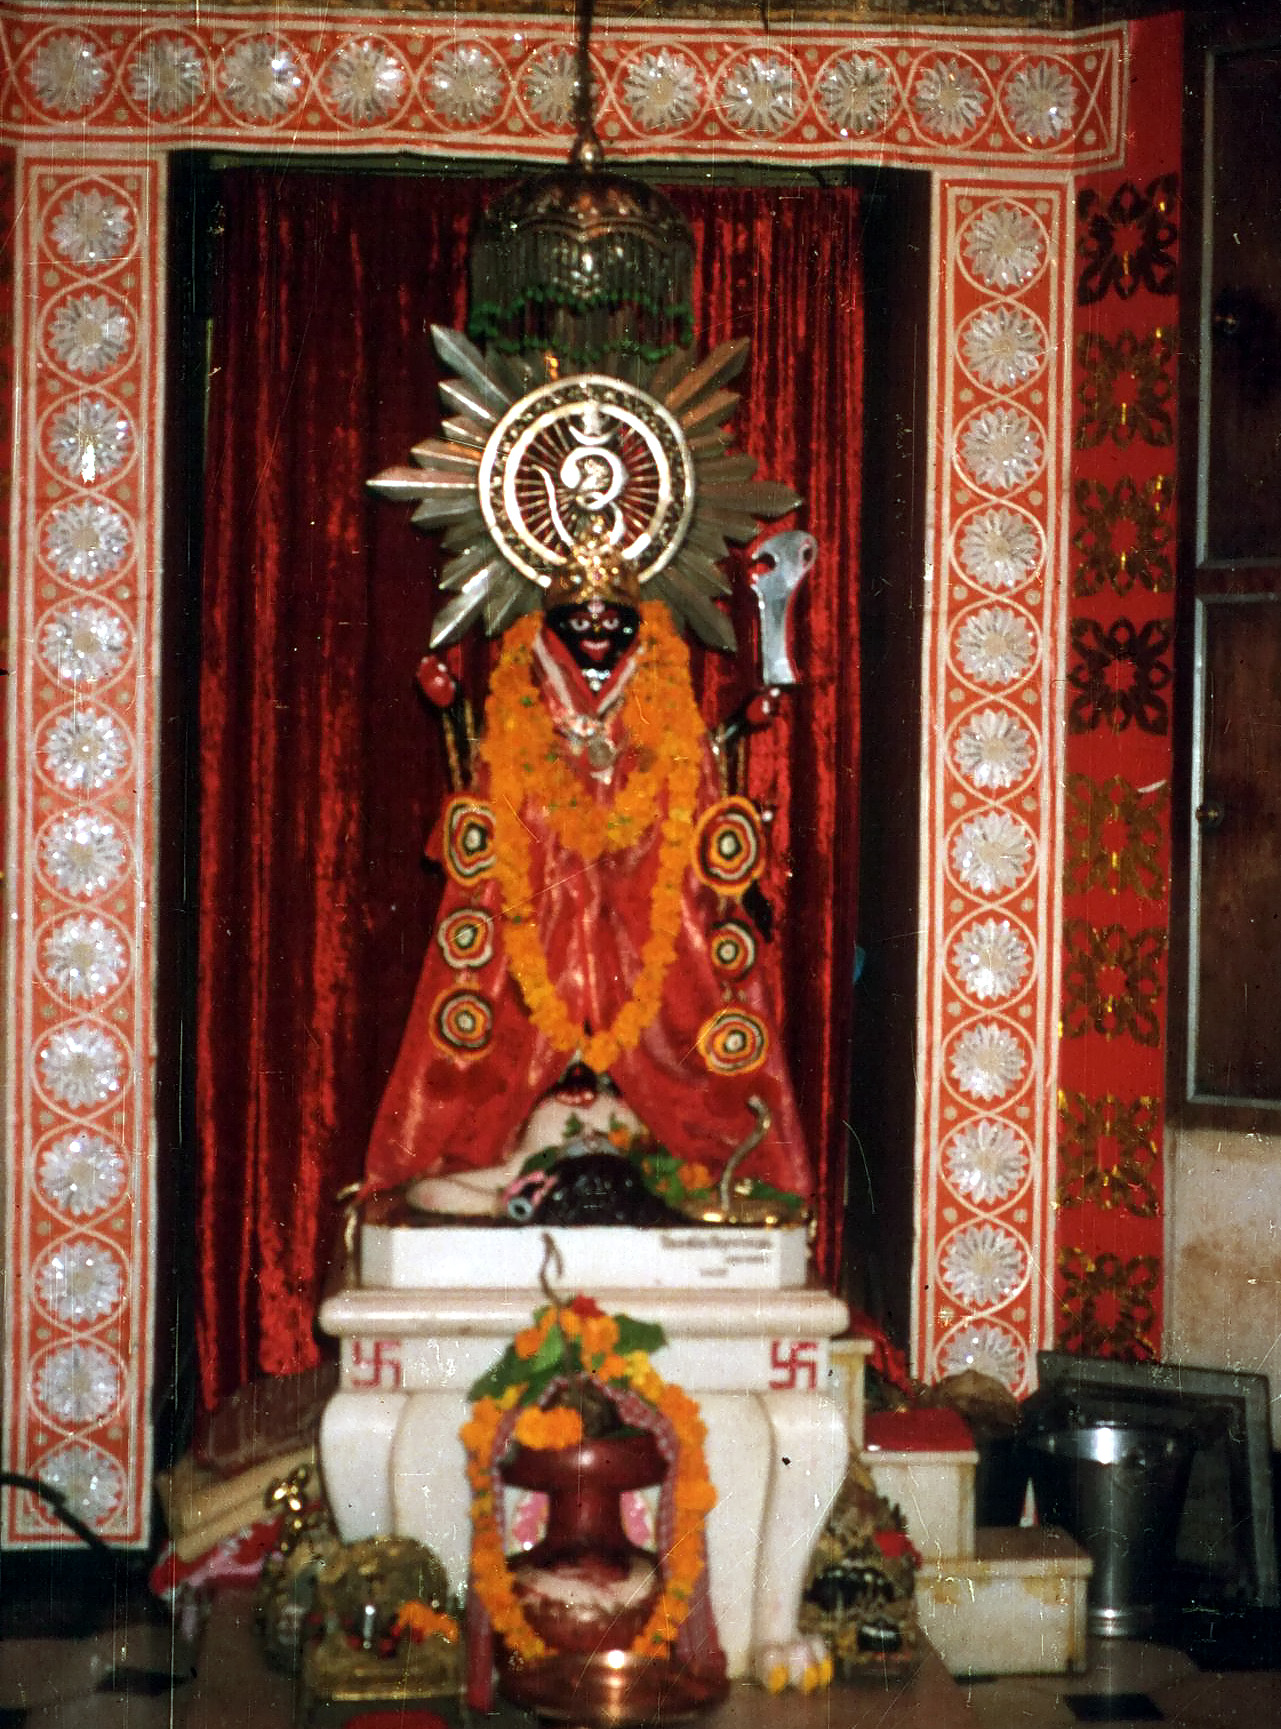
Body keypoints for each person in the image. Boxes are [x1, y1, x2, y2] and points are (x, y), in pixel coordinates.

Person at [363, 545, 812, 1218]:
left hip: (650, 938)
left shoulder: (668, 705)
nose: (598, 626)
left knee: (689, 994)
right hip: (538, 929)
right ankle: (508, 1155)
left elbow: (697, 833)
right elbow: (492, 837)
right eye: (581, 614)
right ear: (554, 624)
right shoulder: (523, 707)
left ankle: (684, 1151)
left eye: (612, 614)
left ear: (638, 622)